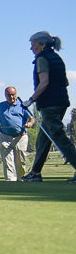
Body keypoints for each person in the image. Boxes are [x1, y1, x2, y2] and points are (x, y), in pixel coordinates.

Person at [21, 31, 76, 183]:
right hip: (61, 102)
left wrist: (31, 100)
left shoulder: (42, 59)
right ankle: (35, 172)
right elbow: (65, 82)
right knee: (43, 140)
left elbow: (44, 82)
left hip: (50, 105)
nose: (31, 49)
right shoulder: (57, 58)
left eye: (33, 45)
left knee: (60, 138)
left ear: (42, 44)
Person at [0, 86, 34, 182]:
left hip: (21, 136)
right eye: (9, 95)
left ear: (16, 95)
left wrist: (30, 123)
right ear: (5, 96)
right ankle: (10, 180)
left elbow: (32, 118)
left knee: (21, 160)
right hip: (5, 137)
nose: (11, 97)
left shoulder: (22, 106)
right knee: (8, 160)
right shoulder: (0, 106)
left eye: (13, 95)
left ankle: (21, 179)